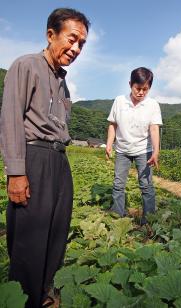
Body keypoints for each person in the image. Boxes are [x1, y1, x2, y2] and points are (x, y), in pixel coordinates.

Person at [0, 8, 90, 308]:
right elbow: (11, 117)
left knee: (55, 231)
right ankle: (24, 298)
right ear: (51, 34)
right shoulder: (25, 66)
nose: (76, 49)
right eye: (72, 39)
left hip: (59, 160)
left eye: (82, 44)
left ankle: (43, 293)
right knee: (29, 235)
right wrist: (15, 172)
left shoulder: (62, 82)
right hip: (33, 157)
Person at [106, 67, 162, 228]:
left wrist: (156, 152)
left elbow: (154, 128)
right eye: (138, 88)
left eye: (145, 89)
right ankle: (118, 217)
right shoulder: (119, 101)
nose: (141, 93)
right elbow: (113, 124)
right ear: (130, 84)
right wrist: (109, 143)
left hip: (144, 151)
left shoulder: (152, 105)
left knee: (146, 185)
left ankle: (148, 221)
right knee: (118, 184)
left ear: (149, 88)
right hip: (122, 150)